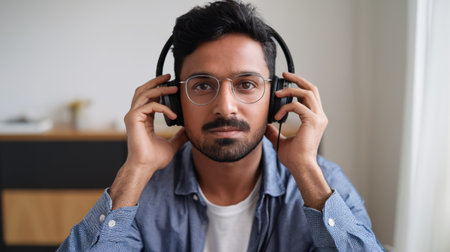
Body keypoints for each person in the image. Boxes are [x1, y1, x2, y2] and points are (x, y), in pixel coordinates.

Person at [58, 0, 384, 251]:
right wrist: (136, 171)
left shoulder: (324, 184)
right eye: (202, 85)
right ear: (174, 102)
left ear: (276, 100)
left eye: (246, 84)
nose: (225, 106)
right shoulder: (143, 193)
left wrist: (307, 172)